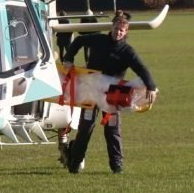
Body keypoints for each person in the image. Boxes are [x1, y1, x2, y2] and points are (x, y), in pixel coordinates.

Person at [60, 14, 158, 174]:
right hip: (91, 92)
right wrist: (68, 59)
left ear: (126, 32)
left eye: (121, 30)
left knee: (112, 130)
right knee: (85, 127)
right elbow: (78, 41)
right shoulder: (98, 40)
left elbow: (141, 68)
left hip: (113, 96)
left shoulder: (127, 52)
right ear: (111, 28)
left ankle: (117, 166)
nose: (118, 32)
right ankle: (74, 164)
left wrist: (151, 87)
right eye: (116, 29)